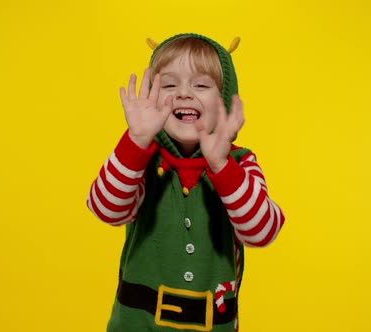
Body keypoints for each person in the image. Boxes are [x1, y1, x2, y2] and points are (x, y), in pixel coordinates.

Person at [86, 33, 285, 332]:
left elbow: (262, 232)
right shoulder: (140, 161)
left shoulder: (241, 163)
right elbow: (106, 209)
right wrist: (136, 141)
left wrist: (221, 165)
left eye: (201, 85)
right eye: (168, 84)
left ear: (225, 100)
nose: (183, 93)